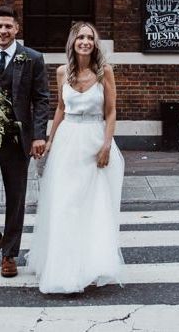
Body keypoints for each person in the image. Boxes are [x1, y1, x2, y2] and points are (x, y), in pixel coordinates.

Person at [26, 21, 125, 294]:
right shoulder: (61, 72)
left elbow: (112, 111)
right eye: (80, 37)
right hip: (68, 141)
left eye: (89, 38)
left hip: (95, 140)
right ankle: (64, 264)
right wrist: (50, 139)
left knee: (92, 205)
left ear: (95, 43)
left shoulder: (105, 72)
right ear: (73, 42)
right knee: (66, 203)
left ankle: (92, 264)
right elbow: (60, 107)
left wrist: (107, 144)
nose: (85, 41)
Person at [0, 5, 50, 278]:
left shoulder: (32, 58)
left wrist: (39, 135)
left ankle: (9, 255)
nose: (3, 31)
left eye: (8, 26)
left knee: (16, 198)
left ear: (17, 29)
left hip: (17, 141)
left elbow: (41, 99)